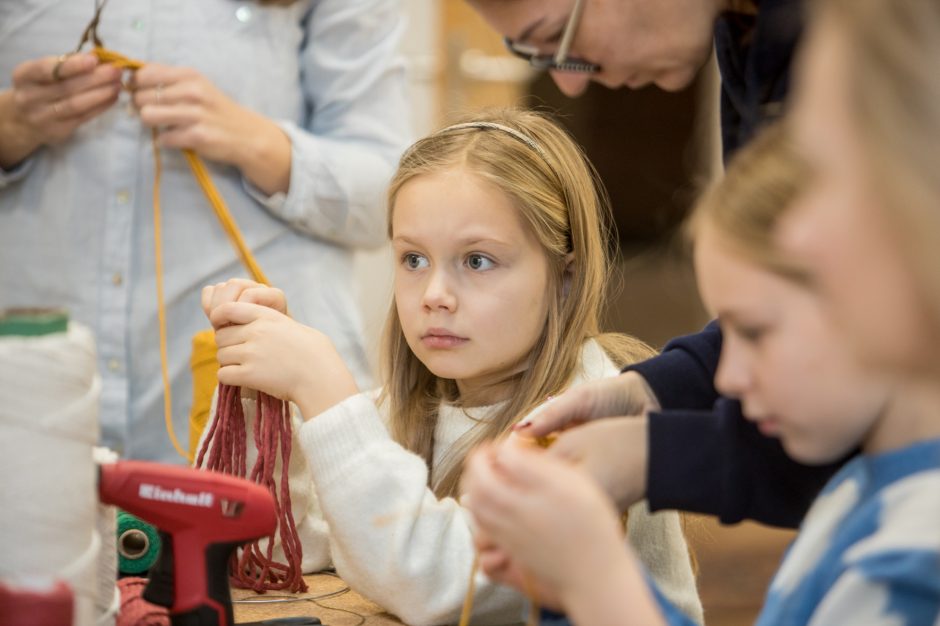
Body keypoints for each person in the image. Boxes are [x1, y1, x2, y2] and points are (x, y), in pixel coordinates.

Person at [199, 109, 703, 625]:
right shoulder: (411, 407)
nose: (435, 295)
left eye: (477, 261)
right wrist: (262, 399)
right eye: (413, 260)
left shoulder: (588, 417)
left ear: (565, 277)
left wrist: (324, 392)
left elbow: (444, 585)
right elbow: (288, 550)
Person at [462, 117, 940, 624]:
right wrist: (566, 591)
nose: (727, 378)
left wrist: (598, 579)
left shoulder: (911, 558)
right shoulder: (858, 492)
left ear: (892, 302)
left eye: (753, 332)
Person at [466, 0, 840, 529]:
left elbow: (852, 370)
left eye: (558, 35)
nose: (571, 84)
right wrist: (652, 391)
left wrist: (650, 456)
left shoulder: (851, 56)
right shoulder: (747, 36)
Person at [0, 0, 411, 461]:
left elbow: (388, 199)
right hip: (29, 384)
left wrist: (256, 141)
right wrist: (9, 125)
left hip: (253, 401)